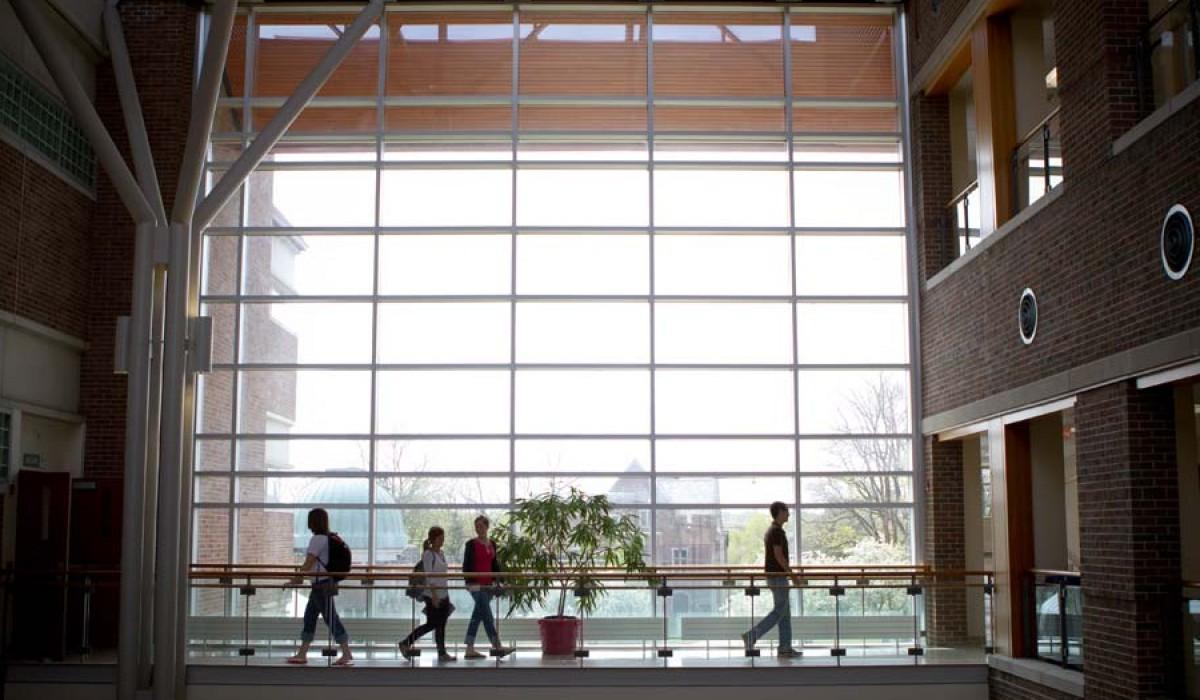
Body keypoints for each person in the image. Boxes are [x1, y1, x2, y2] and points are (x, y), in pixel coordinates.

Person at [287, 508, 353, 666]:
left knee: (330, 618)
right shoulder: (328, 538)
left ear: (313, 521)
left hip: (321, 585)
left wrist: (296, 579)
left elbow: (308, 563)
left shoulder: (318, 539)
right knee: (310, 616)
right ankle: (302, 653)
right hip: (322, 584)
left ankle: (346, 652)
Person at [742, 501, 801, 658]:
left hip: (775, 576)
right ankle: (752, 635)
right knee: (779, 611)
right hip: (778, 576)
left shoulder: (774, 530)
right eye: (786, 511)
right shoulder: (776, 532)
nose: (788, 514)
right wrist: (792, 575)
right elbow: (779, 555)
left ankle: (785, 647)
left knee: (784, 613)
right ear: (780, 512)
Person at [399, 526, 456, 662]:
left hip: (444, 593)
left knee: (440, 624)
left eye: (443, 538)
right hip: (432, 595)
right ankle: (406, 643)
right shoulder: (428, 554)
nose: (442, 541)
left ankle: (441, 653)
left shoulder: (441, 554)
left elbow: (442, 574)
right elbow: (429, 576)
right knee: (433, 624)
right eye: (440, 538)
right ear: (433, 539)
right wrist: (434, 595)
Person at [462, 515, 514, 659]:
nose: (478, 529)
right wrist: (468, 581)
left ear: (487, 527)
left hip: (488, 585)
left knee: (477, 616)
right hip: (476, 585)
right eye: (476, 526)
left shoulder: (492, 543)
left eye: (481, 526)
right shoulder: (471, 544)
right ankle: (497, 646)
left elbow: (495, 565)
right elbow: (466, 565)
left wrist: (501, 580)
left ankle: (469, 648)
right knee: (487, 615)